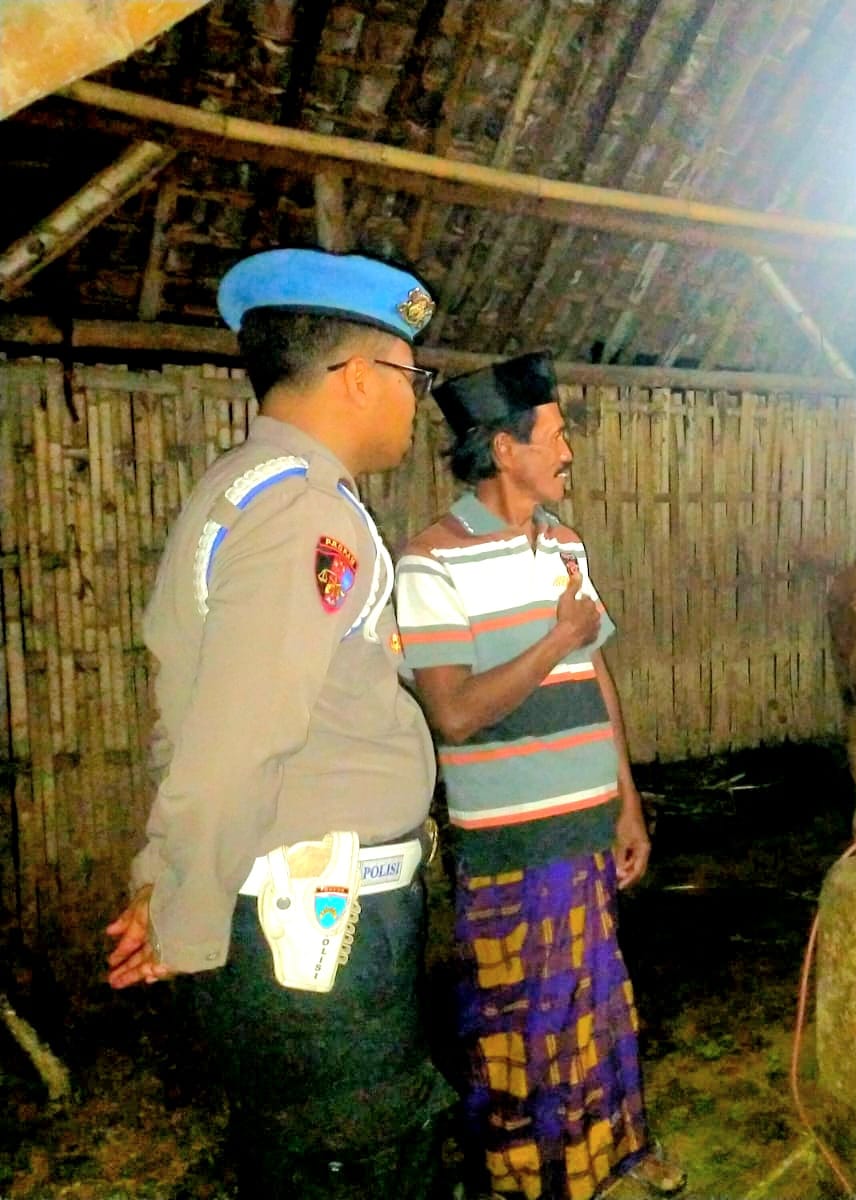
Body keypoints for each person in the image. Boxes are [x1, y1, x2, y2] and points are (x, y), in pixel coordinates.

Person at [104, 248, 457, 1197]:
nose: (416, 401)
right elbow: (237, 743)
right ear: (358, 377)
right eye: (412, 376)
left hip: (293, 920)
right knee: (361, 1161)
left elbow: (199, 720)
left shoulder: (245, 490)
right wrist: (182, 913)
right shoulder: (304, 518)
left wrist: (166, 877)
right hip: (318, 937)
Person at [394, 352, 684, 1200]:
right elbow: (453, 712)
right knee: (522, 1018)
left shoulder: (564, 545)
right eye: (553, 436)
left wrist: (627, 804)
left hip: (587, 822)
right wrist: (557, 638)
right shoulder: (430, 562)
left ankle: (619, 1149)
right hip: (512, 840)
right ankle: (533, 1178)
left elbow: (596, 676)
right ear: (503, 448)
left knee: (598, 998)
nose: (568, 452)